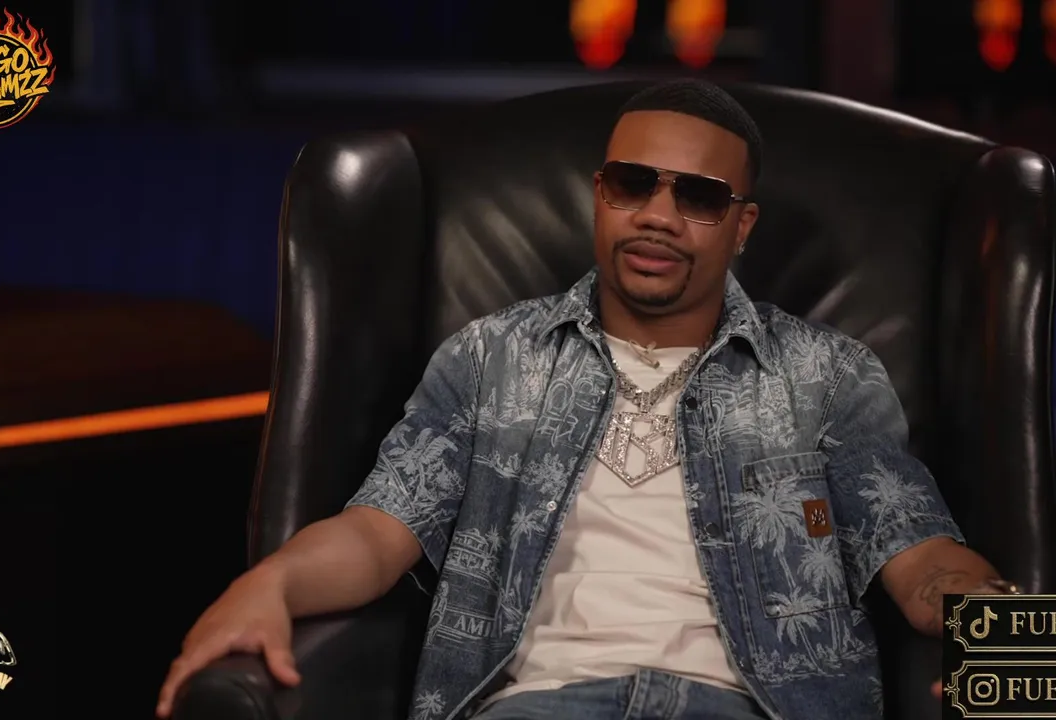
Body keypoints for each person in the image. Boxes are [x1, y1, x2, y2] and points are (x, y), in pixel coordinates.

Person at [157, 79, 1012, 720]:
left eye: (698, 197)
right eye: (633, 184)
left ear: (742, 226)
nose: (658, 216)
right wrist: (269, 583)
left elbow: (919, 557)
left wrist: (1000, 628)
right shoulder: (490, 357)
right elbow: (377, 534)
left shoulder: (827, 373)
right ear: (601, 194)